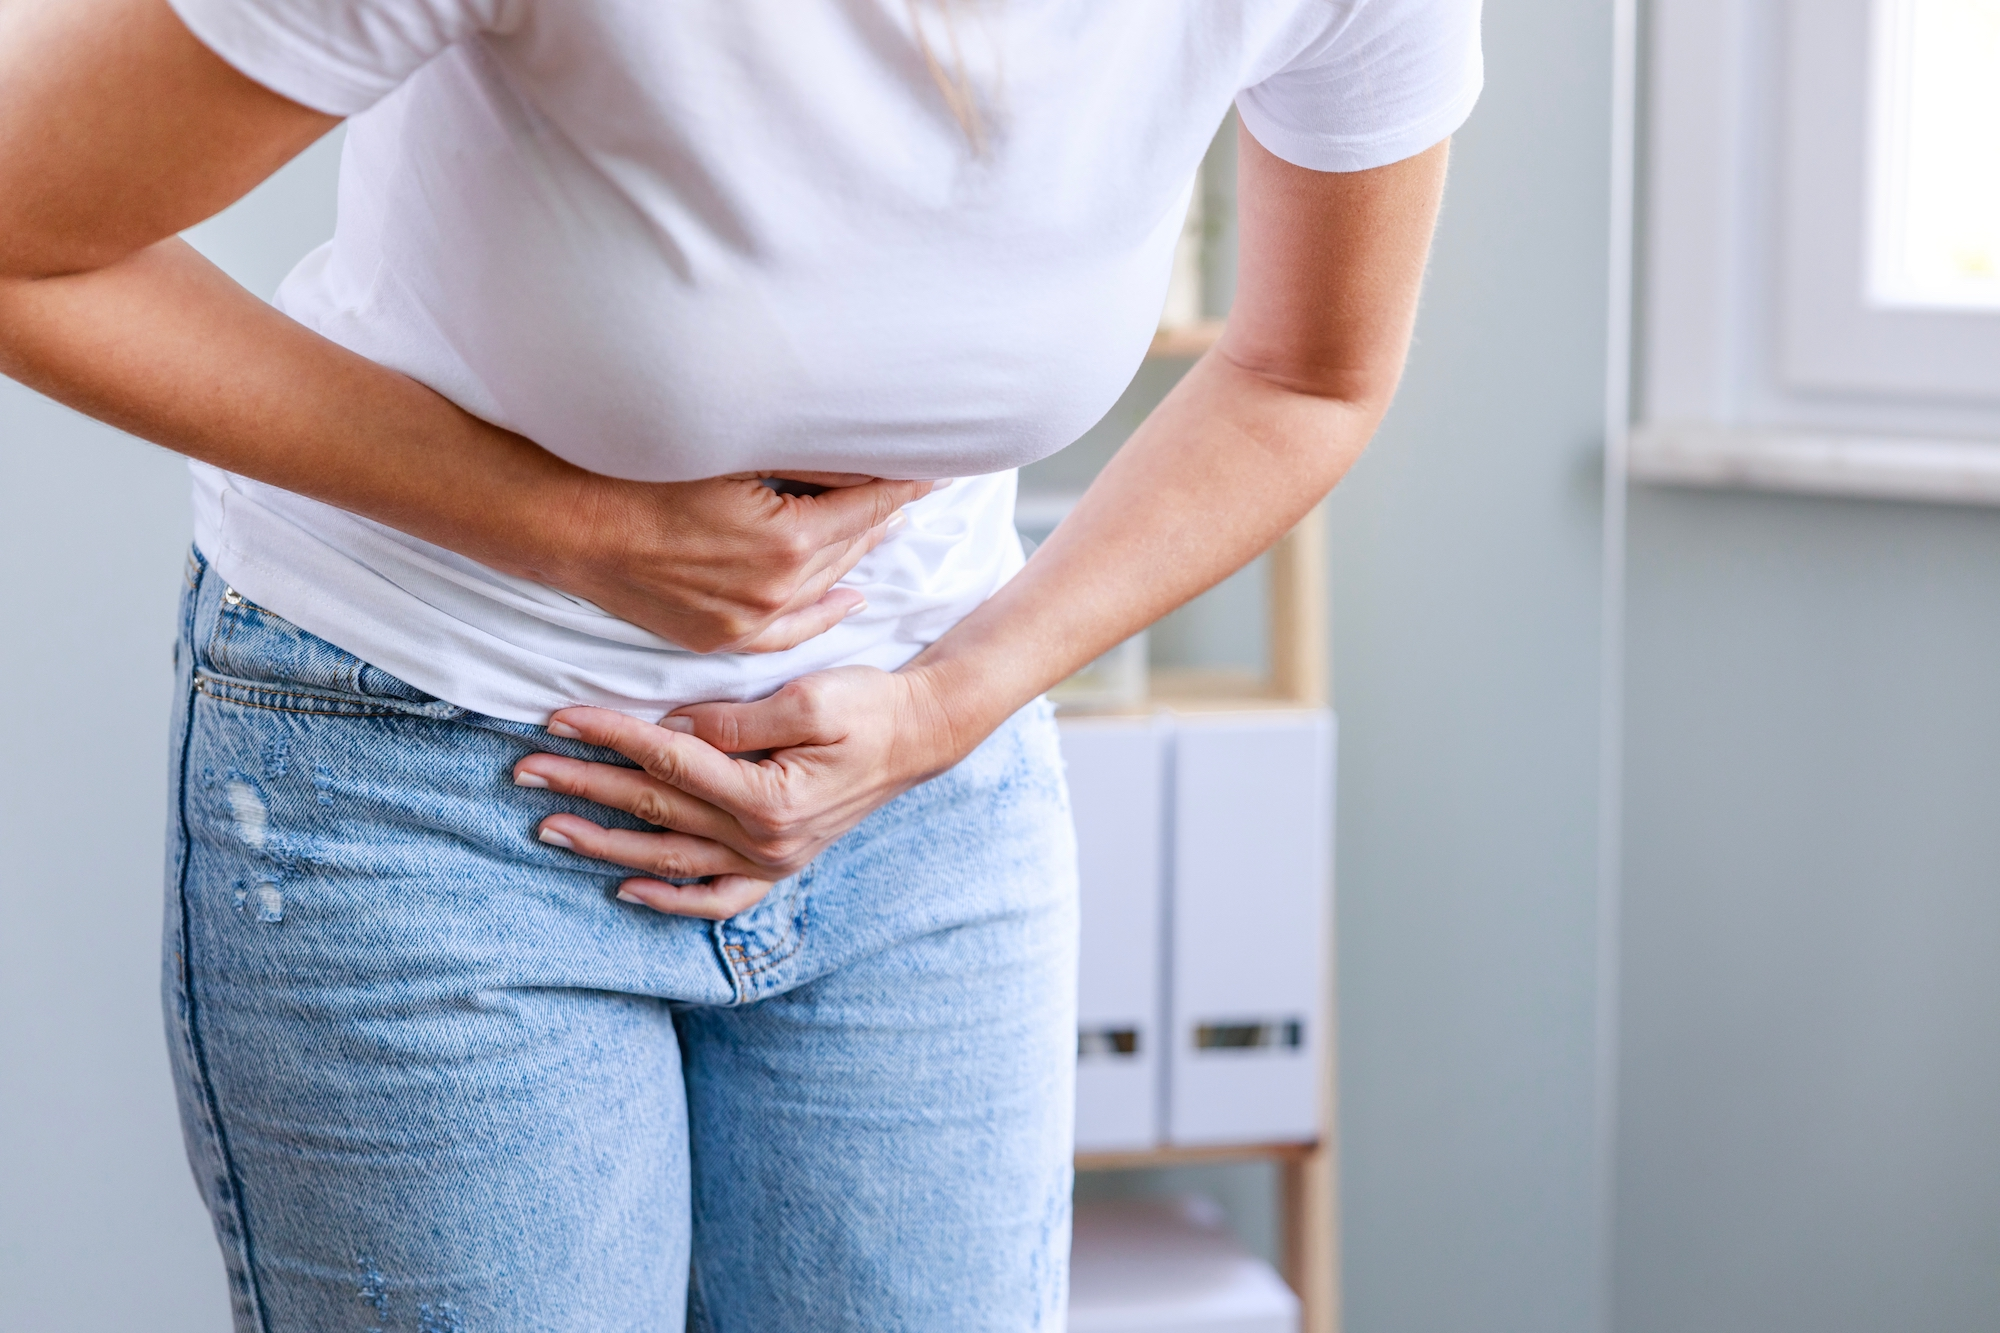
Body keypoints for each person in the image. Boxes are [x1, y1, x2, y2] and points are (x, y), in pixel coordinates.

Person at [0, 0, 1481, 1326]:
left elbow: (1309, 371)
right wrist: (568, 527)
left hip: (919, 804)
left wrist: (945, 706)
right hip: (427, 773)